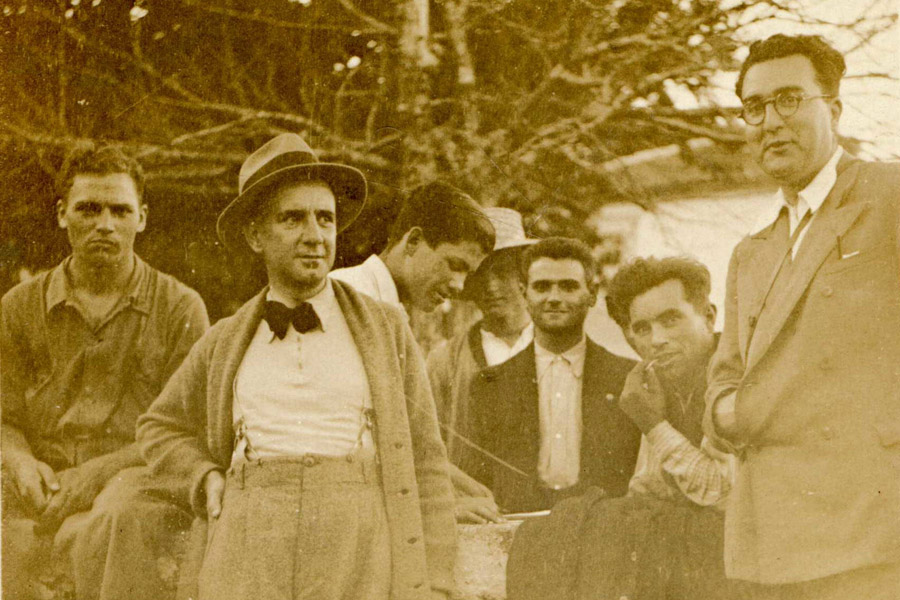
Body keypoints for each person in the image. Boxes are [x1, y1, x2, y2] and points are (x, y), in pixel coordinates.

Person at [136, 133, 457, 600]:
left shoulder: (386, 330)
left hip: (355, 547)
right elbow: (159, 427)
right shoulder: (225, 340)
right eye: (292, 218)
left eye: (325, 218)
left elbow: (426, 460)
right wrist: (201, 475)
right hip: (248, 548)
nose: (314, 236)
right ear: (255, 236)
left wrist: (439, 583)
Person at [705, 34, 900, 598]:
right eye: (755, 107)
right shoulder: (751, 250)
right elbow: (723, 376)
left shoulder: (888, 196)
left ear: (833, 109)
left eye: (789, 100)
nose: (770, 122)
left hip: (873, 527)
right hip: (772, 533)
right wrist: (729, 413)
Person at [1, 145, 209, 600]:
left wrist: (96, 474)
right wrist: (19, 461)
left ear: (142, 218)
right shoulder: (18, 308)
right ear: (62, 214)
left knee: (118, 517)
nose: (105, 224)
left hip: (132, 477)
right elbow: (4, 417)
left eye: (120, 210)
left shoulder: (180, 309)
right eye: (89, 209)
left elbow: (187, 430)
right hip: (41, 478)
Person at [507, 256, 745, 600]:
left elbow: (724, 495)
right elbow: (648, 488)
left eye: (671, 320)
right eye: (642, 328)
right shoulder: (661, 381)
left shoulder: (736, 376)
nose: (657, 340)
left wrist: (653, 424)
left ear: (708, 317)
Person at [467, 237, 640, 513]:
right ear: (525, 293)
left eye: (568, 286)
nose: (554, 298)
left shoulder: (628, 377)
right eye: (542, 287)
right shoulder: (490, 385)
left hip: (604, 527)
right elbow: (477, 478)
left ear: (592, 293)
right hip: (520, 528)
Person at [426, 207, 535, 523]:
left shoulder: (560, 350)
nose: (490, 286)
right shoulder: (444, 362)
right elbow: (426, 451)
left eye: (501, 272)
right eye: (479, 275)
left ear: (524, 275)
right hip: (477, 519)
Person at [329, 180, 494, 314]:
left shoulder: (390, 306)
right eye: (455, 265)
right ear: (413, 241)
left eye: (468, 274)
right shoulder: (344, 295)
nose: (459, 285)